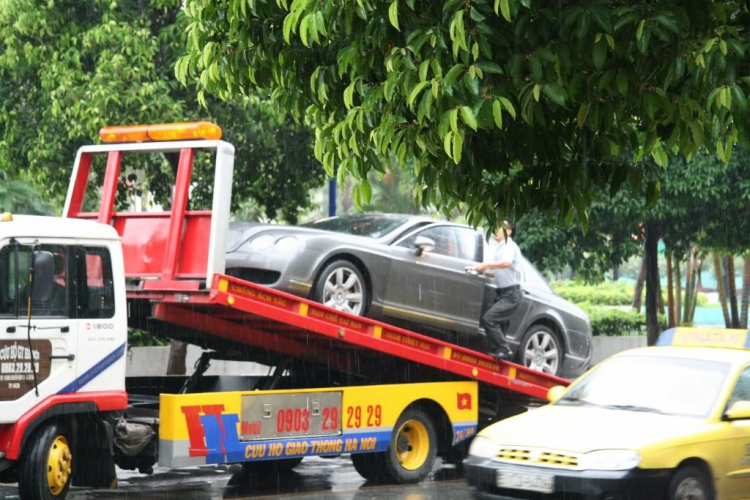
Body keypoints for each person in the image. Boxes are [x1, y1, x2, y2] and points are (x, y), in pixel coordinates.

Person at [472, 220, 522, 361]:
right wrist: (485, 271)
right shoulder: (501, 247)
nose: (496, 228)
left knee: (489, 319)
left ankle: (504, 350)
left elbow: (506, 263)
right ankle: (500, 353)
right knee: (499, 323)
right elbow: (503, 271)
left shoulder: (509, 245)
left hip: (510, 294)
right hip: (503, 293)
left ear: (509, 231)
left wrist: (486, 264)